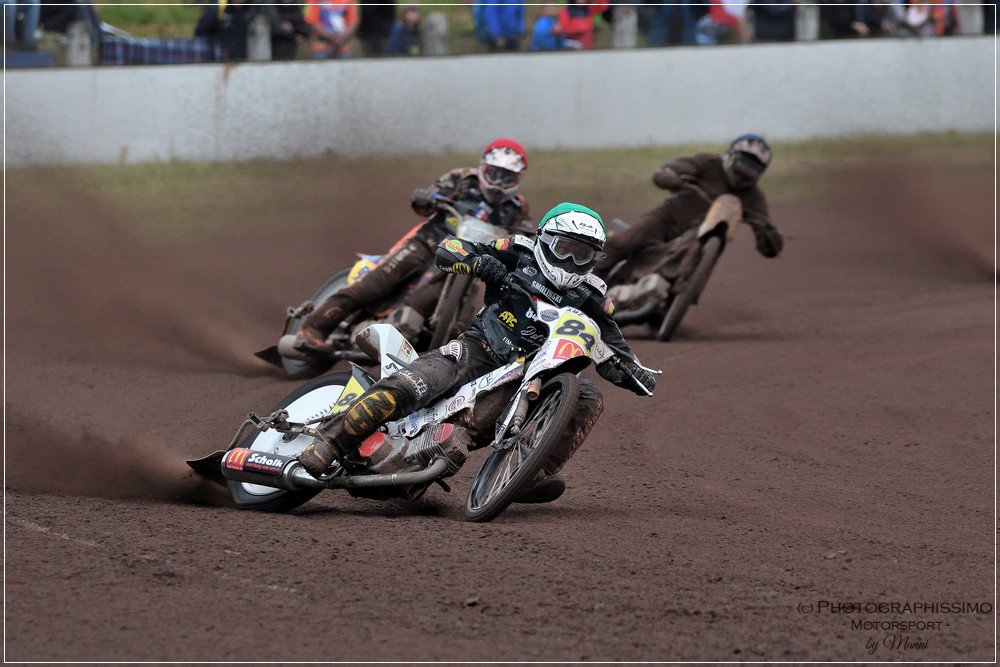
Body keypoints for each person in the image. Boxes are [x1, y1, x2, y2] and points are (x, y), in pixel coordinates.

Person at [297, 202, 657, 503]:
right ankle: (329, 442)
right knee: (408, 388)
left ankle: (532, 470)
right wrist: (477, 261)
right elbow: (449, 248)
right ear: (545, 239)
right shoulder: (519, 250)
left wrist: (636, 373)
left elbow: (617, 351)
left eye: (584, 255)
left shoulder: (595, 297)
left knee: (589, 394)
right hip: (477, 351)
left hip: (530, 380)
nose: (571, 262)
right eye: (565, 249)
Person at [280, 138, 532, 361]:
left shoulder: (517, 207)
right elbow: (425, 204)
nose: (499, 183)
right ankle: (313, 328)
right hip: (428, 243)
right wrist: (425, 198)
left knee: (462, 317)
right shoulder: (463, 179)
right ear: (483, 167)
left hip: (463, 264)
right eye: (495, 174)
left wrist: (528, 243)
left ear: (517, 179)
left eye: (507, 178)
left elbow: (522, 236)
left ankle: (416, 345)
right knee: (377, 284)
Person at [595, 134, 783, 302]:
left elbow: (770, 246)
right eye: (744, 164)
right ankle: (585, 285)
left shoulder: (754, 197)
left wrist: (765, 232)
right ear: (732, 156)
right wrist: (670, 176)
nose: (745, 173)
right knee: (622, 242)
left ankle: (670, 293)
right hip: (665, 220)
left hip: (698, 239)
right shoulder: (708, 163)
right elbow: (668, 170)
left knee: (696, 261)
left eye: (753, 169)